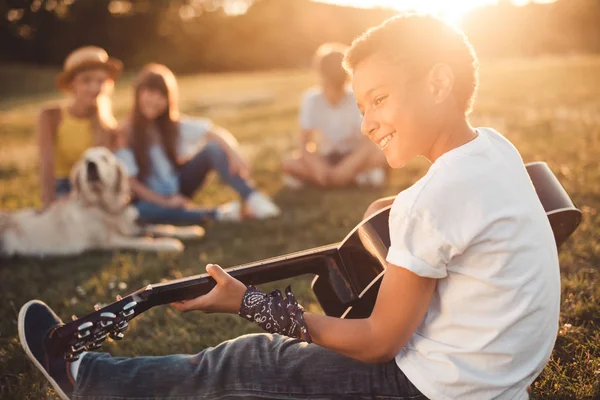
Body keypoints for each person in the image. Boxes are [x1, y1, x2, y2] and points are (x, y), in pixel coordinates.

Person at [19, 14, 560, 400]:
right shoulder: (492, 149)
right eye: (360, 105)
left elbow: (376, 344)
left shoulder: (434, 200)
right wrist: (397, 208)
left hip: (428, 387)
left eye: (379, 99)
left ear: (438, 82)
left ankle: (84, 378)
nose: (366, 122)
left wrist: (249, 303)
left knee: (248, 359)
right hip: (497, 383)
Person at [115, 63, 280, 224]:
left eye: (162, 96)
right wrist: (165, 202)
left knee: (213, 149)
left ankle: (253, 197)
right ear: (138, 93)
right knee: (140, 212)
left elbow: (214, 132)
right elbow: (132, 183)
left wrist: (234, 154)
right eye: (150, 93)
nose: (155, 100)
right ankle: (220, 214)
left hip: (179, 186)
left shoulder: (172, 125)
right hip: (150, 197)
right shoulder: (124, 132)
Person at [282, 43, 387, 189]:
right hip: (327, 157)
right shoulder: (311, 99)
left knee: (381, 156)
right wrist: (318, 168)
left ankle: (329, 178)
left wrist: (347, 167)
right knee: (289, 162)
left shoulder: (356, 97)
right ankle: (355, 178)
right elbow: (304, 143)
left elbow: (368, 142)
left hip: (354, 155)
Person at [38, 46, 122, 208]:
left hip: (95, 191)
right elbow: (46, 164)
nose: (95, 88)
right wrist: (49, 204)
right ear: (72, 84)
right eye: (86, 80)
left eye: (100, 81)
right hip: (62, 187)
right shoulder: (50, 116)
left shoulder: (107, 125)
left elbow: (105, 175)